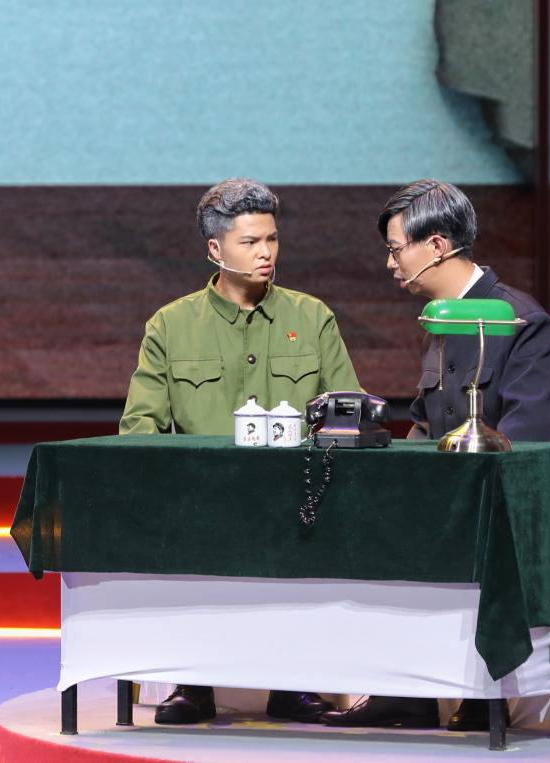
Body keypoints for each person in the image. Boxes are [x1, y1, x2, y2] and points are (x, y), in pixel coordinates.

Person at [320, 178, 550, 732]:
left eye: (396, 249)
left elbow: (526, 441)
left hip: (530, 494)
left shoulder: (519, 321)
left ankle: (479, 689)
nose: (391, 263)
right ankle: (409, 690)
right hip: (461, 488)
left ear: (437, 246)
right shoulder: (442, 320)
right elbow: (429, 426)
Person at [120, 177, 363, 724]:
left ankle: (293, 683)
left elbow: (347, 413)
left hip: (299, 498)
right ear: (215, 248)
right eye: (250, 242)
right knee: (194, 535)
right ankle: (193, 683)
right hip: (203, 500)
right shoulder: (171, 325)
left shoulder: (312, 317)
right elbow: (140, 426)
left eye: (271, 239)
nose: (265, 253)